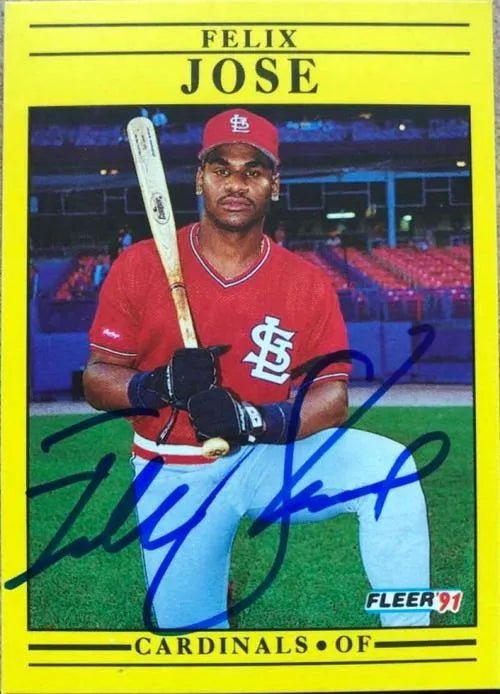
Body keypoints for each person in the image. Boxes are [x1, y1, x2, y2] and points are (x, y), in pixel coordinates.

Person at [83, 108, 430, 631]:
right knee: (193, 640)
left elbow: (331, 398)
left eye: (253, 170)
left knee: (389, 468)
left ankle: (410, 644)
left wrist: (254, 420)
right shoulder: (139, 264)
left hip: (266, 455)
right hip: (174, 467)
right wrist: (156, 385)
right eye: (221, 169)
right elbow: (97, 379)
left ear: (275, 184)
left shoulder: (305, 282)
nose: (236, 183)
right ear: (200, 178)